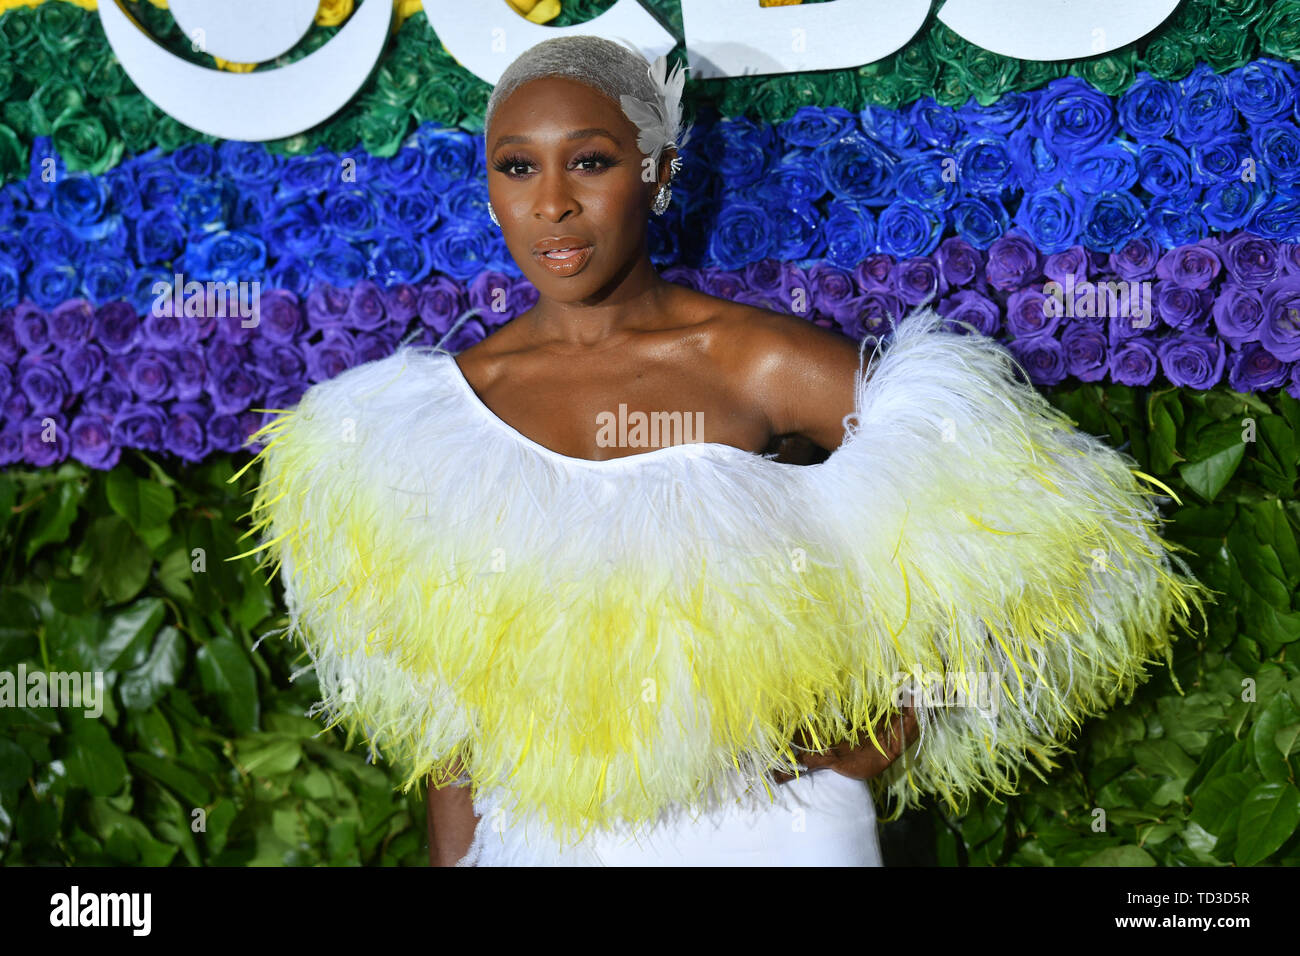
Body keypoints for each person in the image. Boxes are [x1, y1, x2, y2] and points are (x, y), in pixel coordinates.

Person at [238, 36, 1210, 867]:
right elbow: (445, 726)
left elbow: (1037, 522)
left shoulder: (755, 359)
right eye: (516, 166)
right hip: (545, 837)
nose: (552, 205)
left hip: (770, 825)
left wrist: (899, 722)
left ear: (656, 171)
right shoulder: (427, 418)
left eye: (588, 161)